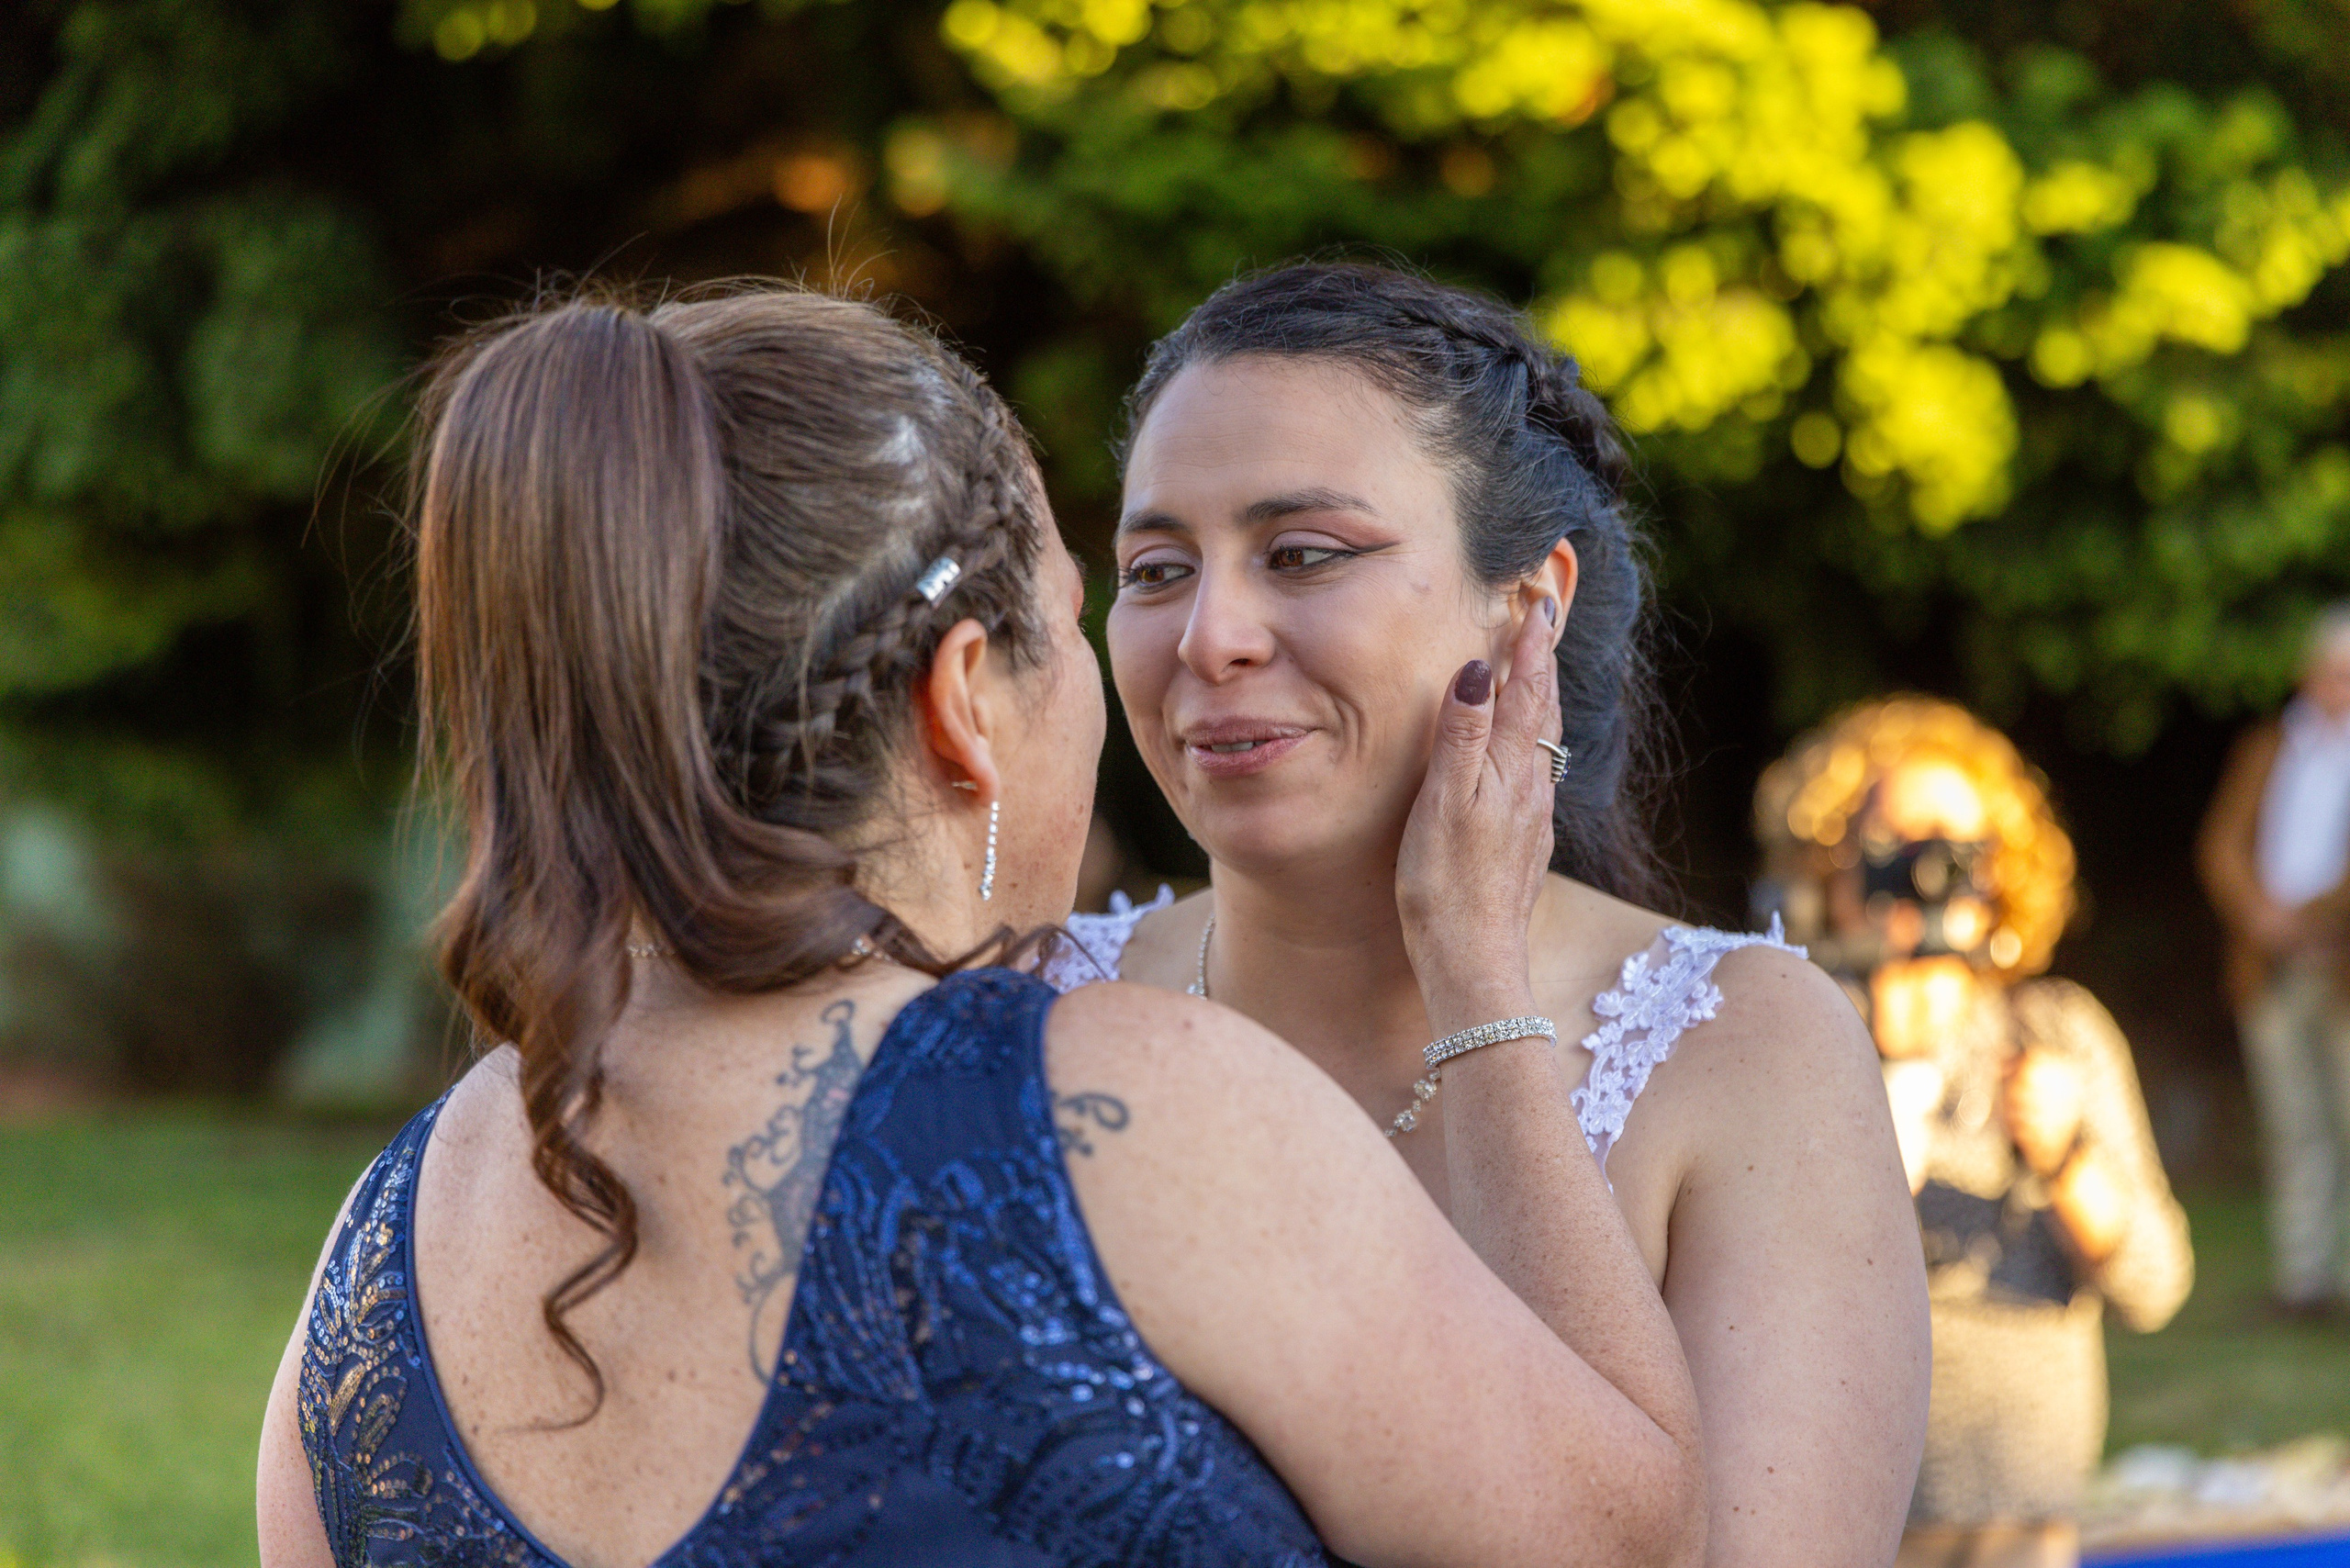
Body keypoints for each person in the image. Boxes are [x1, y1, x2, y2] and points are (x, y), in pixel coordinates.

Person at [253, 286, 1711, 1568]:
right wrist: (1480, 979)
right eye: (1082, 617)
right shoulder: (1126, 1114)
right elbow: (1635, 1540)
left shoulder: (386, 1240)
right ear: (962, 702)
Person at [1041, 262, 1930, 1568]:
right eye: (1157, 569)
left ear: (1528, 608)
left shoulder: (1744, 1050)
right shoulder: (1030, 1011)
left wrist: (1476, 982)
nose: (1209, 636)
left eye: (1304, 554)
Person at [1755, 696, 2192, 1568]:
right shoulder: (1785, 1035)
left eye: (1958, 849)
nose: (1929, 873)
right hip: (1837, 1516)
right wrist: (1885, 1053)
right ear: (1834, 867)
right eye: (1895, 845)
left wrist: (2064, 1157)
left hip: (2020, 1521)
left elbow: (2154, 1286)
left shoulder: (2054, 1031)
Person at [2199, 605, 2350, 1316]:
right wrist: (2260, 915)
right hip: (2269, 968)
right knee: (2294, 1127)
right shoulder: (2268, 747)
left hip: (2340, 966)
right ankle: (2304, 1279)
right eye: (2331, 672)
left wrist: (2308, 916)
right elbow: (2223, 842)